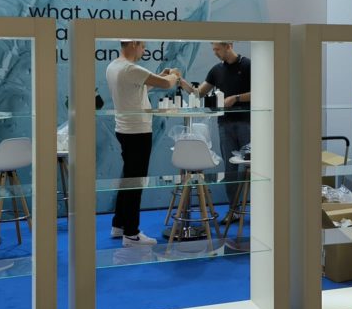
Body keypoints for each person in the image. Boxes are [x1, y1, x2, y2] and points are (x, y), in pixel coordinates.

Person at [105, 40, 181, 247]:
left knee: (128, 179)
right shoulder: (130, 68)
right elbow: (166, 84)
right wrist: (174, 75)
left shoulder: (114, 66)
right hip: (137, 131)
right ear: (134, 44)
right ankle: (131, 233)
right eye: (143, 47)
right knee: (136, 182)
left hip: (125, 129)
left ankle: (119, 224)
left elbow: (139, 87)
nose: (144, 51)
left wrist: (162, 76)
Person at [186, 42, 251, 211]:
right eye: (213, 49)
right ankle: (234, 210)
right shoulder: (216, 70)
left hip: (248, 123)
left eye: (217, 49)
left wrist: (236, 98)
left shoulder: (247, 65)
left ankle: (255, 209)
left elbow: (261, 91)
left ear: (229, 45)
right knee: (230, 169)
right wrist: (181, 82)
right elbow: (199, 93)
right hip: (224, 124)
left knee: (251, 167)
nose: (215, 52)